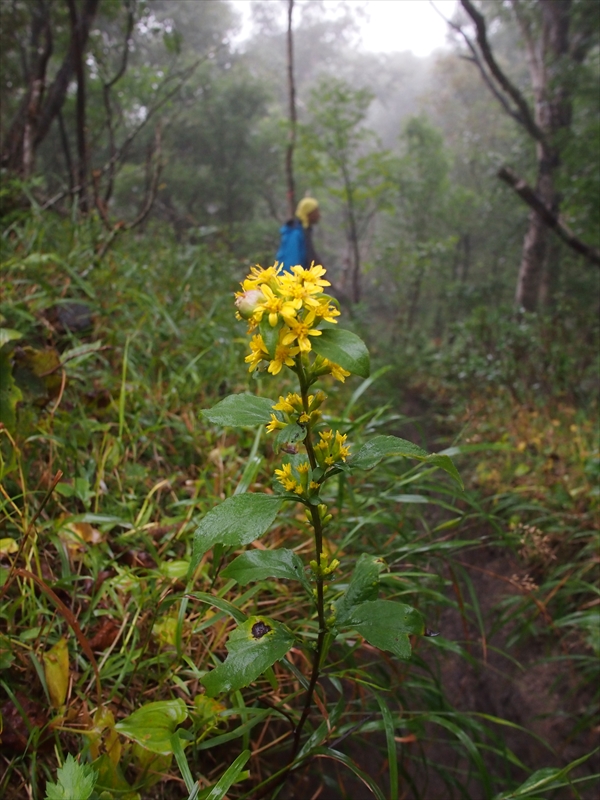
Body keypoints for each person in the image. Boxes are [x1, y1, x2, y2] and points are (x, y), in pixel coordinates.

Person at [275, 197, 322, 272]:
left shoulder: (305, 232)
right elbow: (290, 264)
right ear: (308, 213)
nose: (319, 215)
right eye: (316, 211)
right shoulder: (295, 232)